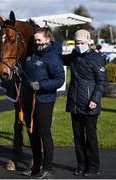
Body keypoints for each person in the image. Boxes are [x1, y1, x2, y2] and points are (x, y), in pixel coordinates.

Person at [21, 26, 65, 179]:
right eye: (35, 40)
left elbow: (60, 80)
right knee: (31, 132)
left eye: (39, 40)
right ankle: (35, 167)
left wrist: (41, 85)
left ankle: (47, 169)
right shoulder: (31, 54)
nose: (37, 42)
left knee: (44, 133)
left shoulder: (53, 57)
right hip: (28, 99)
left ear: (48, 39)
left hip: (44, 100)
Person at [62, 29, 106, 177]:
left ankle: (93, 167)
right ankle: (81, 165)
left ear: (88, 42)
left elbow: (101, 82)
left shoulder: (96, 58)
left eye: (81, 42)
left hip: (90, 105)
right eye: (76, 42)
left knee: (91, 137)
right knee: (78, 137)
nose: (78, 45)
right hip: (74, 104)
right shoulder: (74, 56)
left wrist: (94, 99)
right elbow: (59, 59)